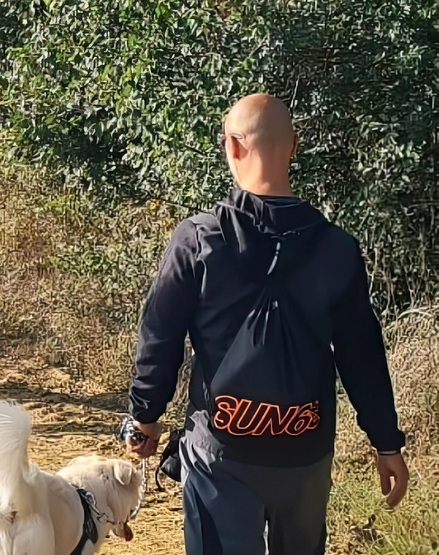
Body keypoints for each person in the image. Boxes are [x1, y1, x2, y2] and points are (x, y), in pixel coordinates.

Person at [126, 94, 409, 555]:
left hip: (221, 449)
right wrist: (386, 442)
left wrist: (146, 416)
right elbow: (362, 355)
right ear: (293, 146)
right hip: (305, 452)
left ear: (233, 147)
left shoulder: (199, 239)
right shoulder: (337, 249)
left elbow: (160, 337)